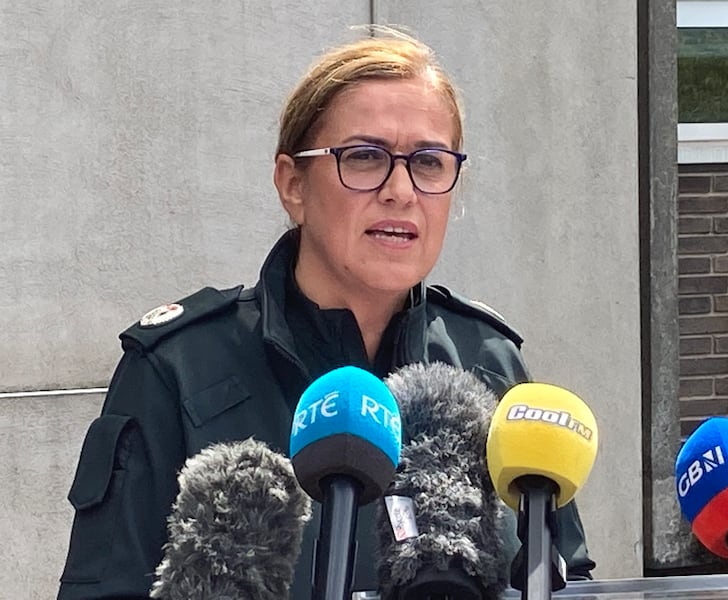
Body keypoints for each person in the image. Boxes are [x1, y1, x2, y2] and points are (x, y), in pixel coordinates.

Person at [57, 27, 595, 600]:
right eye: (364, 158)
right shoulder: (177, 368)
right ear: (293, 185)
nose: (400, 190)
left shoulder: (490, 363)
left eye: (429, 162)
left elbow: (565, 576)